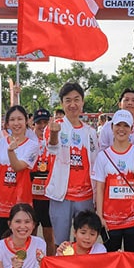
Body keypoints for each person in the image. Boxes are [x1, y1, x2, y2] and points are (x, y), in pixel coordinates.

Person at [44, 82, 98, 239]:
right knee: (61, 242)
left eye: (76, 99)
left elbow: (95, 162)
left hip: (86, 196)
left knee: (84, 241)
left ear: (82, 102)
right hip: (61, 196)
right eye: (68, 100)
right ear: (62, 103)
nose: (72, 104)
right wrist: (54, 134)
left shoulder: (91, 132)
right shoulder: (55, 127)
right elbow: (52, 148)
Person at [92, 110, 134, 251]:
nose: (121, 129)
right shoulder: (103, 156)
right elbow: (100, 188)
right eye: (118, 125)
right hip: (110, 221)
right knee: (111, 261)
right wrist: (99, 216)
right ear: (112, 128)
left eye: (126, 126)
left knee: (133, 260)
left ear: (131, 129)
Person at [0, 105, 42, 240]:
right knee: (0, 243)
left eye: (20, 119)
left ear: (27, 121)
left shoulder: (32, 146)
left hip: (20, 203)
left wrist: (11, 152)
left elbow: (18, 167)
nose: (16, 123)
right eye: (12, 120)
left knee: (20, 244)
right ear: (7, 123)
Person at [29, 110, 56, 252]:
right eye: (39, 122)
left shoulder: (53, 141)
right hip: (30, 195)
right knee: (29, 234)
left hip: (48, 196)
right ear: (34, 124)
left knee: (49, 236)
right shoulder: (29, 142)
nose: (42, 125)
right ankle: (30, 266)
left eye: (45, 122)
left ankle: (50, 265)